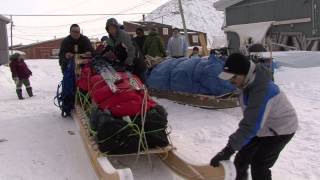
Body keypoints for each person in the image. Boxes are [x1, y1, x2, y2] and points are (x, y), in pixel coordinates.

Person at [210, 53, 298, 180]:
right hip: (262, 126)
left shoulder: (262, 90)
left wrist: (228, 150)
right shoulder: (247, 81)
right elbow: (252, 119)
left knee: (259, 165)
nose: (231, 81)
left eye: (233, 77)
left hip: (281, 129)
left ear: (244, 73)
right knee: (241, 159)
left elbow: (251, 124)